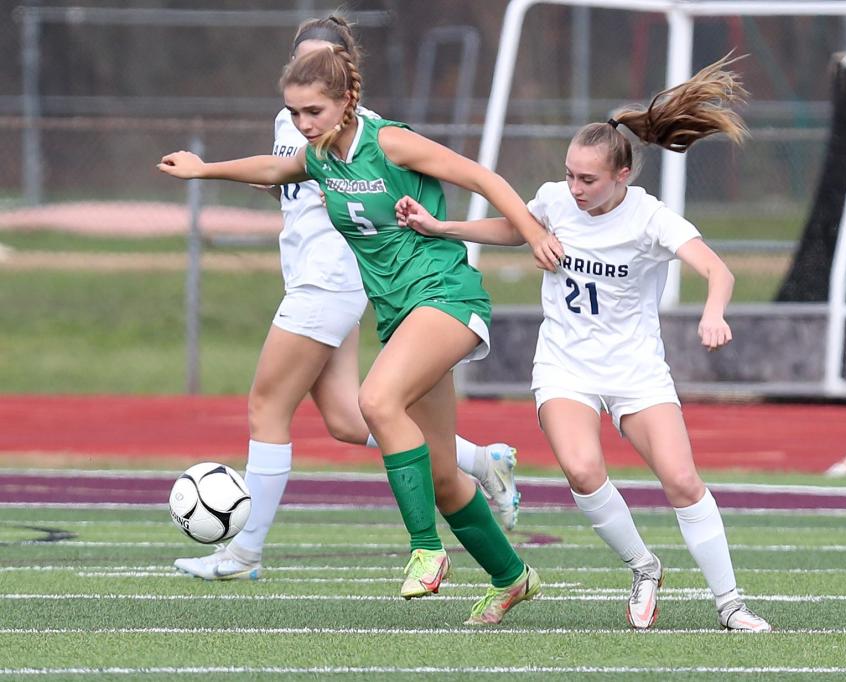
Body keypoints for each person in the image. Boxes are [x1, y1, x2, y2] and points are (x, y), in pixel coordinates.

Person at [158, 41, 563, 625]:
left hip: (446, 294)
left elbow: (482, 177)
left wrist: (531, 233)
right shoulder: (321, 157)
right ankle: (512, 577)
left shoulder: (387, 140)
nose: (303, 125)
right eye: (294, 114)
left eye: (313, 113)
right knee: (445, 477)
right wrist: (203, 170)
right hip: (399, 313)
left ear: (347, 101)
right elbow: (274, 168)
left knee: (374, 400)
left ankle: (426, 550)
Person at [396, 54, 772, 632]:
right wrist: (441, 226)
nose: (573, 188)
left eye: (587, 179)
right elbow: (513, 227)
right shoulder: (554, 199)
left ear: (623, 176)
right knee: (581, 469)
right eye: (569, 174)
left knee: (681, 481)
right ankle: (643, 567)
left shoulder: (650, 218)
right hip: (566, 365)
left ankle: (731, 605)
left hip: (635, 369)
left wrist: (713, 314)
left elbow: (717, 271)